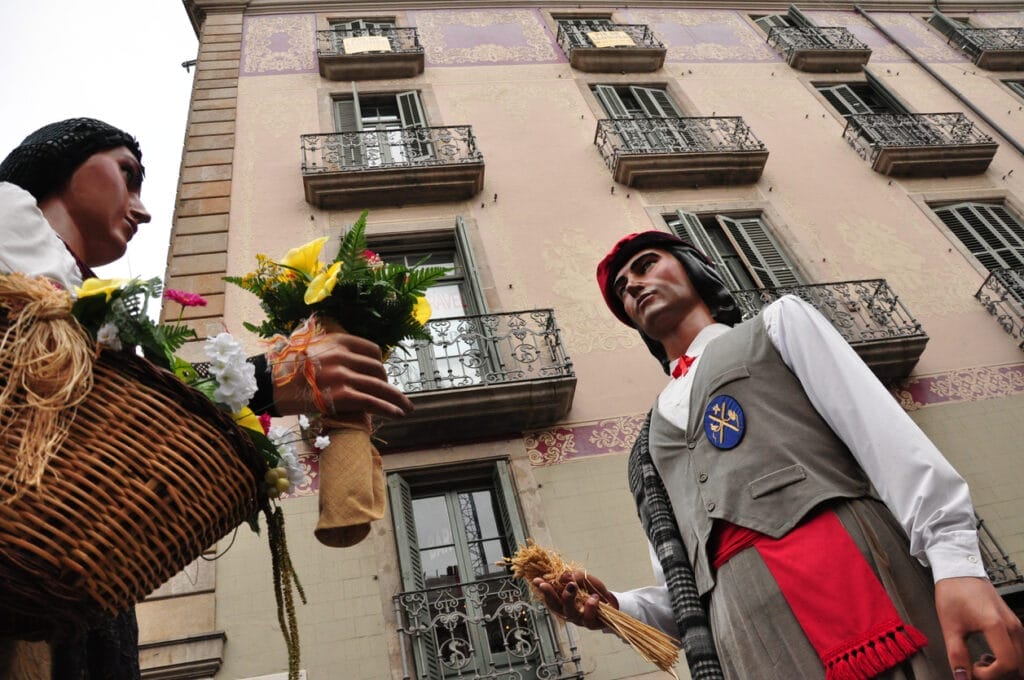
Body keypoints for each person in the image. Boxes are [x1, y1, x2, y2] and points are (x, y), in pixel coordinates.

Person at [0, 118, 414, 678]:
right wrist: (270, 378)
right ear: (58, 161)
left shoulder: (88, 297)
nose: (143, 210)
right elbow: (69, 402)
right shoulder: (8, 216)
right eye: (128, 175)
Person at [534, 230, 1024, 680]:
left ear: (694, 268)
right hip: (743, 636)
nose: (634, 286)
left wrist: (957, 564)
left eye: (646, 265)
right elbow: (681, 591)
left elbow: (887, 441)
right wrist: (613, 607)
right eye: (622, 288)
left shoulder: (778, 324)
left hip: (851, 578)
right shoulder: (646, 442)